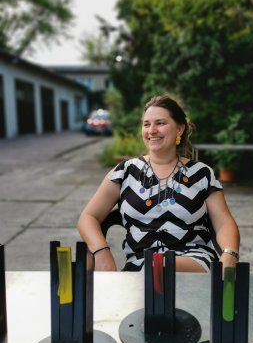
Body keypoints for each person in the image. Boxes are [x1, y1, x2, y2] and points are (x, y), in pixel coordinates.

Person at [77, 94, 240, 272]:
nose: (152, 130)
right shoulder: (125, 172)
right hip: (140, 264)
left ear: (179, 129)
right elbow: (88, 217)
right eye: (146, 124)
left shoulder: (201, 173)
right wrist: (102, 252)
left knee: (159, 267)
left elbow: (224, 222)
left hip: (194, 262)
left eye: (160, 123)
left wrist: (230, 253)